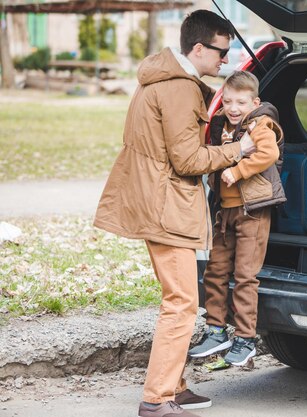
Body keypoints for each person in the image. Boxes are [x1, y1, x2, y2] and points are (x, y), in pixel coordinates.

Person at [93, 10, 256, 417]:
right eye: (221, 51)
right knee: (182, 302)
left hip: (153, 199)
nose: (226, 59)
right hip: (167, 206)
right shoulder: (181, 89)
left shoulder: (159, 79)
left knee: (177, 298)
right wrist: (240, 149)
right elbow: (187, 159)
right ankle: (157, 397)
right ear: (198, 48)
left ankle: (175, 385)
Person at [188, 70, 285, 366]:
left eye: (241, 103)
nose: (232, 108)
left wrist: (238, 171)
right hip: (225, 211)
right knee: (216, 271)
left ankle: (245, 338)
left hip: (252, 212)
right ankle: (216, 329)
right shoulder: (223, 126)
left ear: (254, 102)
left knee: (244, 275)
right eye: (227, 101)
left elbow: (268, 154)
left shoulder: (260, 125)